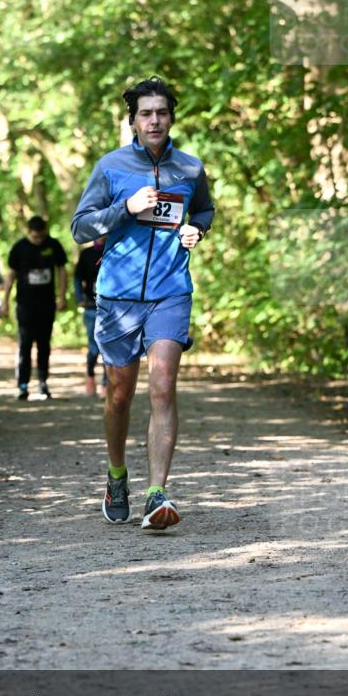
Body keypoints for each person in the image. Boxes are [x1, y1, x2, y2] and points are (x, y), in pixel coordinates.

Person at [71, 76, 214, 530]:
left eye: (162, 112)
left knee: (163, 387)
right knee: (119, 395)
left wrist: (197, 229)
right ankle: (117, 477)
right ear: (132, 120)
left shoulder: (189, 168)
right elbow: (80, 228)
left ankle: (157, 493)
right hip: (117, 296)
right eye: (146, 113)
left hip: (171, 291)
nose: (155, 120)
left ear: (172, 117)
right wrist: (126, 208)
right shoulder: (111, 167)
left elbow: (204, 210)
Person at [1, 216, 67, 401]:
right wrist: (5, 301)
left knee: (44, 344)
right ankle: (23, 384)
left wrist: (62, 296)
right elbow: (10, 275)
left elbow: (62, 270)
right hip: (25, 305)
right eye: (35, 237)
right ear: (28, 232)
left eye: (41, 236)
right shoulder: (19, 248)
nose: (39, 240)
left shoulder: (53, 245)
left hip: (46, 304)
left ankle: (43, 382)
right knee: (25, 344)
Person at [74, 238, 108, 397]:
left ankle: (107, 384)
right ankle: (90, 376)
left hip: (111, 308)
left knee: (108, 347)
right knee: (93, 347)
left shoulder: (115, 249)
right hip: (91, 307)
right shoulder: (86, 254)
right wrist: (80, 298)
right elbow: (77, 278)